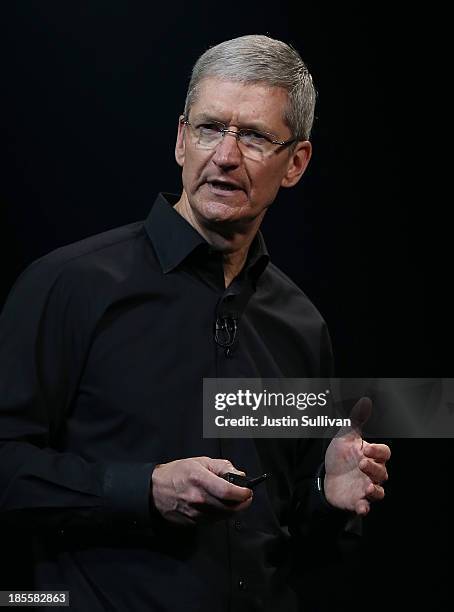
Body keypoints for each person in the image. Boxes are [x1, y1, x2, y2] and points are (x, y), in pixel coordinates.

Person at [0, 35, 390, 611]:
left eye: (255, 136)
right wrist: (145, 490)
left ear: (296, 163)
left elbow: (296, 538)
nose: (225, 155)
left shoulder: (301, 326)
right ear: (181, 140)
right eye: (210, 128)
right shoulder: (70, 285)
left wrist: (327, 500)